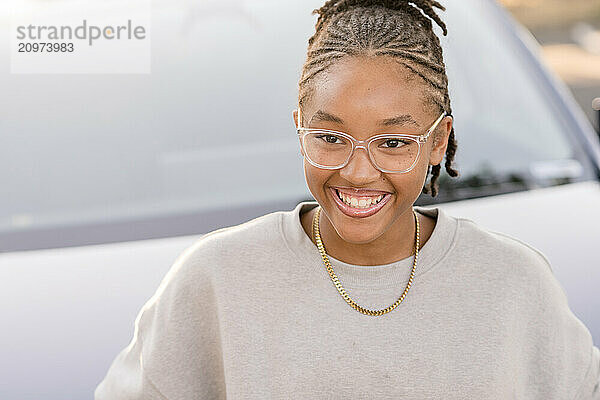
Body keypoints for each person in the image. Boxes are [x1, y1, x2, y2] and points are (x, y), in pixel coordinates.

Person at [95, 0, 600, 398]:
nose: (359, 173)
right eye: (330, 138)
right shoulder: (216, 280)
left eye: (394, 143)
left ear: (439, 141)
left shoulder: (513, 284)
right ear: (299, 128)